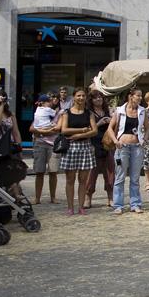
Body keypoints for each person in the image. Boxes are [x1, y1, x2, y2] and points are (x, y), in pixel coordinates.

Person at [56, 88, 97, 216]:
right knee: (70, 179)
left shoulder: (89, 113)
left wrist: (79, 135)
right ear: (74, 97)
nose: (81, 98)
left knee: (83, 180)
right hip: (70, 148)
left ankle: (80, 207)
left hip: (85, 147)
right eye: (78, 95)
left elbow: (94, 131)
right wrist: (83, 130)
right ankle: (70, 207)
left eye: (83, 96)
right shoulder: (66, 112)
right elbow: (64, 130)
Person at [107, 87, 147, 215]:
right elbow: (110, 128)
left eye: (141, 96)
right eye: (138, 96)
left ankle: (135, 204)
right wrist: (115, 140)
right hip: (122, 146)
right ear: (131, 96)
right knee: (120, 177)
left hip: (137, 147)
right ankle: (118, 205)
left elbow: (147, 128)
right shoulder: (119, 110)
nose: (140, 98)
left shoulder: (142, 111)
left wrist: (144, 140)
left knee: (135, 177)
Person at [83, 90, 114, 211]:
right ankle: (88, 196)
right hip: (93, 143)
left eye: (100, 97)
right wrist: (100, 123)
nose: (98, 99)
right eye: (95, 98)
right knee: (92, 173)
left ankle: (110, 197)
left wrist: (111, 120)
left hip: (108, 143)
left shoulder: (107, 111)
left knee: (110, 171)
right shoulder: (89, 113)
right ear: (91, 100)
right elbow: (87, 128)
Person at [30, 93, 60, 205]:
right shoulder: (40, 112)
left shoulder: (59, 113)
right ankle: (37, 198)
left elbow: (58, 128)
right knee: (39, 172)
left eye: (55, 98)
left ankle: (53, 197)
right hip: (40, 144)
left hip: (53, 145)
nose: (53, 100)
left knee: (53, 172)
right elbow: (32, 128)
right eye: (51, 99)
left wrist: (43, 132)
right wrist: (45, 131)